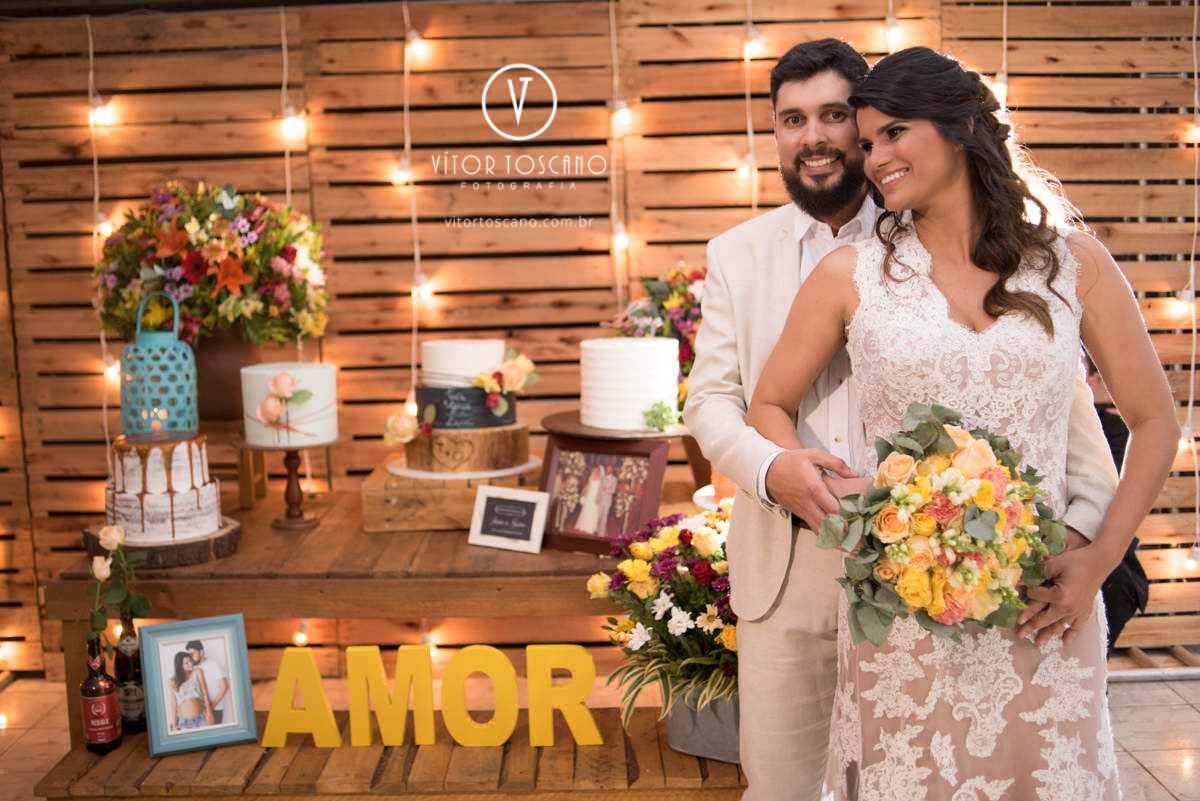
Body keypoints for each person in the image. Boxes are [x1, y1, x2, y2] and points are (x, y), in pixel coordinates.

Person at [684, 39, 1118, 801]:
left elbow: (1062, 409)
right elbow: (714, 400)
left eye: (836, 115)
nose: (814, 135)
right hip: (789, 568)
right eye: (791, 119)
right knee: (788, 785)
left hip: (971, 574)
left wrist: (1087, 535)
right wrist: (771, 468)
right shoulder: (738, 255)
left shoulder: (1013, 258)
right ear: (776, 135)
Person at [186, 640, 229, 725]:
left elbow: (225, 687)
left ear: (201, 652)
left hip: (215, 710)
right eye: (189, 655)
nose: (190, 657)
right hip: (199, 712)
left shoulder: (213, 664)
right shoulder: (192, 668)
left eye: (192, 654)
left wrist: (211, 707)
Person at [168, 652, 213, 732]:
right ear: (180, 666)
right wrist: (175, 724)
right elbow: (173, 703)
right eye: (186, 663)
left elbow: (204, 691)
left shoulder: (197, 672)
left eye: (191, 661)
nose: (190, 664)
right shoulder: (173, 681)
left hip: (201, 718)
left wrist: (209, 712)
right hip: (183, 722)